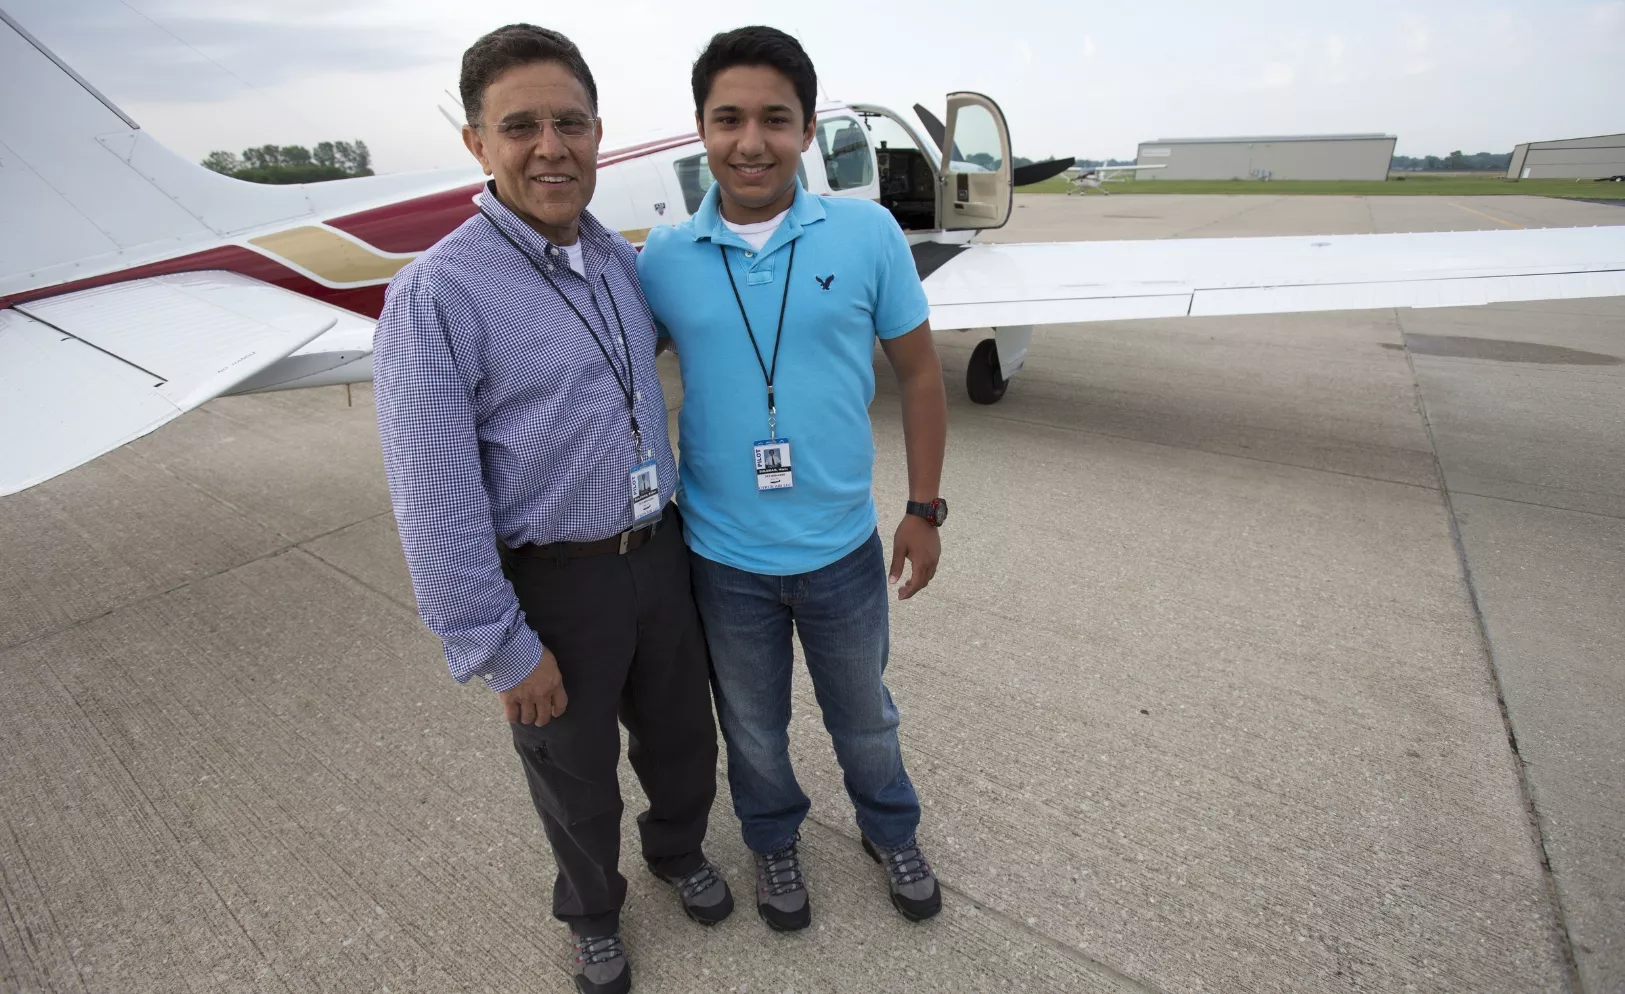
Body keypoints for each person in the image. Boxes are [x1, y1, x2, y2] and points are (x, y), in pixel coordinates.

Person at [373, 24, 730, 994]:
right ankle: (592, 910)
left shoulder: (615, 258)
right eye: (519, 125)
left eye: (568, 123)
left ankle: (676, 848)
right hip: (552, 585)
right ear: (476, 143)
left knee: (680, 736)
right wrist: (497, 641)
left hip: (658, 555)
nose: (549, 146)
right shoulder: (436, 295)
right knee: (571, 771)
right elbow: (432, 496)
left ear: (598, 134)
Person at [638, 26, 950, 932]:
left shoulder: (866, 234)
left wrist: (923, 510)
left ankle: (889, 827)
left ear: (807, 129)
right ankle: (771, 838)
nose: (751, 140)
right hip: (722, 558)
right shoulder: (661, 259)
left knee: (865, 719)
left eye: (775, 118)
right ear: (699, 128)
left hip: (842, 550)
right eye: (728, 118)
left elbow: (921, 374)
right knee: (753, 733)